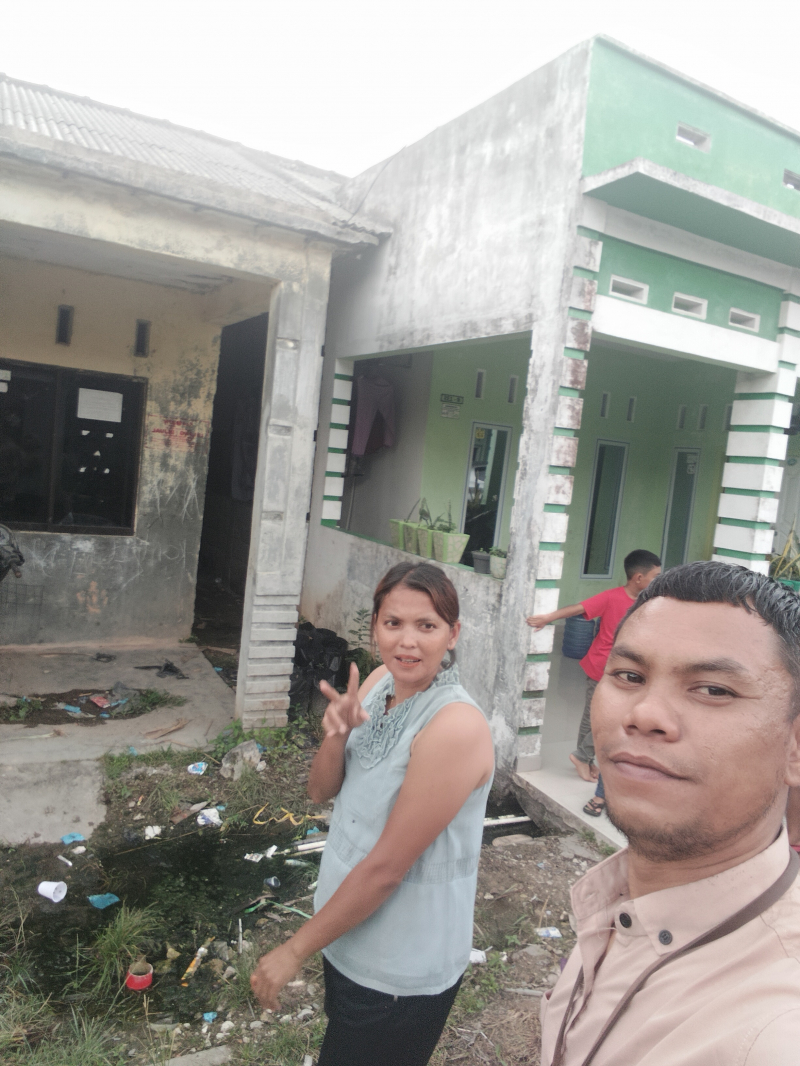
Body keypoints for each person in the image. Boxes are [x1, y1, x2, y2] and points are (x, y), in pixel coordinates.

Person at [540, 561, 800, 1066]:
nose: (644, 714)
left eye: (713, 689)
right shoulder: (613, 905)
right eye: (629, 676)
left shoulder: (771, 1034)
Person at [250, 561, 495, 1066]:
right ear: (375, 629)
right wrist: (336, 734)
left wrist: (293, 950)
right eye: (393, 623)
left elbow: (386, 869)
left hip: (401, 967)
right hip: (348, 933)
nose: (408, 641)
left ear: (452, 634)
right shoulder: (380, 681)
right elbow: (321, 792)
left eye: (427, 626)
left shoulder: (455, 726)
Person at [527, 549, 661, 813]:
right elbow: (580, 608)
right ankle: (583, 756)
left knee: (593, 716)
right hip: (605, 668)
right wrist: (547, 618)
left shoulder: (648, 602)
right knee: (608, 718)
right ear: (638, 577)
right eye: (655, 576)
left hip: (624, 669)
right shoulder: (612, 597)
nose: (658, 580)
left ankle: (584, 758)